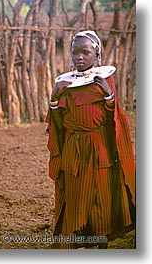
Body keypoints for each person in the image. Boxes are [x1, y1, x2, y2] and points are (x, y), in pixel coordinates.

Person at [46, 30, 135, 249]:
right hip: (73, 149)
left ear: (96, 54)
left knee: (101, 195)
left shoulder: (105, 80)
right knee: (75, 194)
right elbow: (56, 125)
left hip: (99, 147)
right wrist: (54, 100)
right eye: (75, 52)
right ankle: (77, 238)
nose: (79, 57)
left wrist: (109, 96)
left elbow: (114, 119)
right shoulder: (64, 84)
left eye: (85, 52)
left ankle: (102, 242)